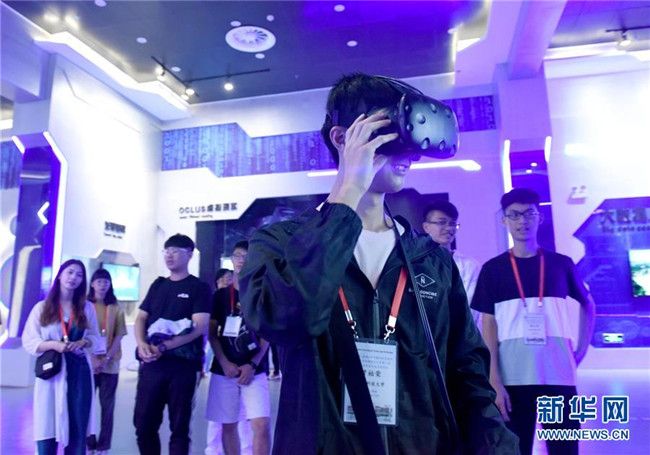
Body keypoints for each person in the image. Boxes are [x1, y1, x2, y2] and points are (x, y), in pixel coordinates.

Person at [240, 73, 518, 454]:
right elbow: (284, 321)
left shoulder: (430, 259)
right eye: (388, 133)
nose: (408, 153)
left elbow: (467, 373)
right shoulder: (281, 243)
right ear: (342, 138)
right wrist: (348, 191)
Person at [471, 188, 596, 455]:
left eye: (529, 214)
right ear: (504, 220)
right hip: (512, 379)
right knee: (514, 449)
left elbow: (588, 304)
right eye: (514, 215)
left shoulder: (561, 264)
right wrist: (494, 380)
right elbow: (488, 326)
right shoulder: (493, 270)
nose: (522, 221)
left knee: (564, 449)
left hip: (558, 376)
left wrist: (582, 349)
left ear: (540, 217)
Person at [133, 234, 211, 455]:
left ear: (190, 255)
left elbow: (199, 327)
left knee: (179, 427)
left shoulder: (199, 287)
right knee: (143, 424)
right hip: (152, 365)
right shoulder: (158, 286)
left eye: (175, 251)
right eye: (167, 251)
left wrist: (163, 347)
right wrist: (141, 344)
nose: (169, 255)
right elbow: (141, 318)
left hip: (182, 366)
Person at [22, 259, 101, 455]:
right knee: (47, 422)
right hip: (52, 372)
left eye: (79, 275)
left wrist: (83, 342)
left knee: (78, 423)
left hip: (79, 373)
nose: (73, 278)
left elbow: (96, 338)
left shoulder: (87, 308)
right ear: (60, 276)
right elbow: (30, 341)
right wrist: (54, 345)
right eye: (70, 272)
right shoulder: (42, 308)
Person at [206, 240, 271, 455]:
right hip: (224, 369)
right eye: (237, 255)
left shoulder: (262, 293)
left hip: (254, 369)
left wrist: (253, 364)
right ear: (231, 259)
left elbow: (267, 334)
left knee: (261, 424)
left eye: (246, 256)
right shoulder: (220, 296)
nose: (241, 260)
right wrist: (225, 363)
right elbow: (212, 333)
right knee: (228, 424)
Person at [422, 200, 482, 327]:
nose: (449, 228)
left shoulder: (470, 266)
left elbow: (471, 309)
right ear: (426, 227)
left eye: (452, 223)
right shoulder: (417, 264)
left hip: (460, 332)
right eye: (442, 222)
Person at [87, 268, 127, 455]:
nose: (102, 285)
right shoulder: (85, 305)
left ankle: (103, 446)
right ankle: (89, 443)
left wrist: (107, 358)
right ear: (92, 284)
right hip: (88, 362)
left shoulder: (116, 307)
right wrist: (93, 359)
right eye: (99, 282)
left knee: (107, 406)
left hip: (110, 364)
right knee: (86, 405)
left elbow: (119, 334)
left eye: (106, 282)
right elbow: (81, 333)